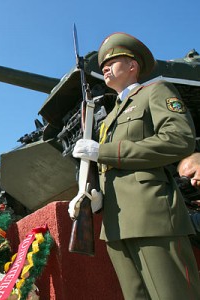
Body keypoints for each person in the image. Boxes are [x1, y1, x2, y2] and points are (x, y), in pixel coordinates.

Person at [71, 32, 200, 299]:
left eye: (114, 60)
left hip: (152, 215)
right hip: (116, 224)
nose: (105, 66)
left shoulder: (155, 92)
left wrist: (103, 151)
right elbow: (108, 168)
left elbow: (179, 139)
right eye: (103, 63)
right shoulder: (108, 119)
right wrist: (92, 196)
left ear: (133, 66)